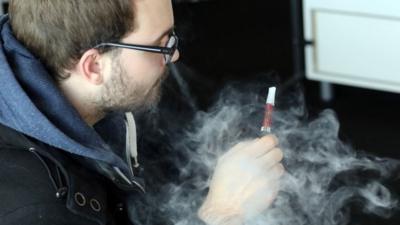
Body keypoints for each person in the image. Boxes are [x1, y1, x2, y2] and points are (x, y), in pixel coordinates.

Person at [0, 0, 284, 224]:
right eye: (159, 44)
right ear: (94, 67)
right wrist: (222, 214)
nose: (173, 56)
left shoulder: (102, 95)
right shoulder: (34, 208)